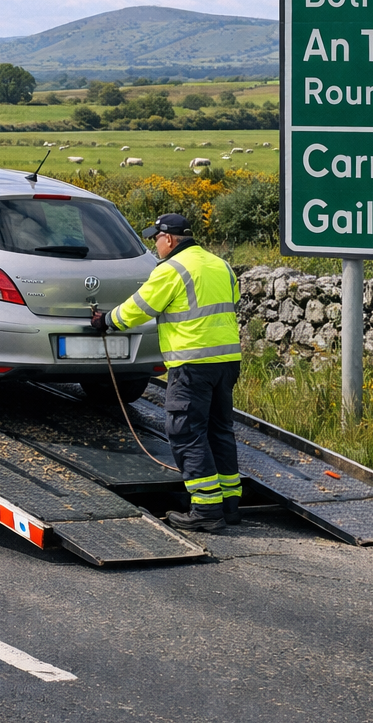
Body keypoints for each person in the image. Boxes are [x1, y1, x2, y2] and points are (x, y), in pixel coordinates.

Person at [92, 213, 242, 532]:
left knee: (187, 432)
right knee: (219, 431)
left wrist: (105, 322)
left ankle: (205, 509)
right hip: (227, 361)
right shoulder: (221, 265)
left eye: (155, 240)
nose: (155, 247)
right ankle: (229, 505)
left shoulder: (172, 269)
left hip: (191, 364)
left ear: (169, 239)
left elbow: (139, 308)